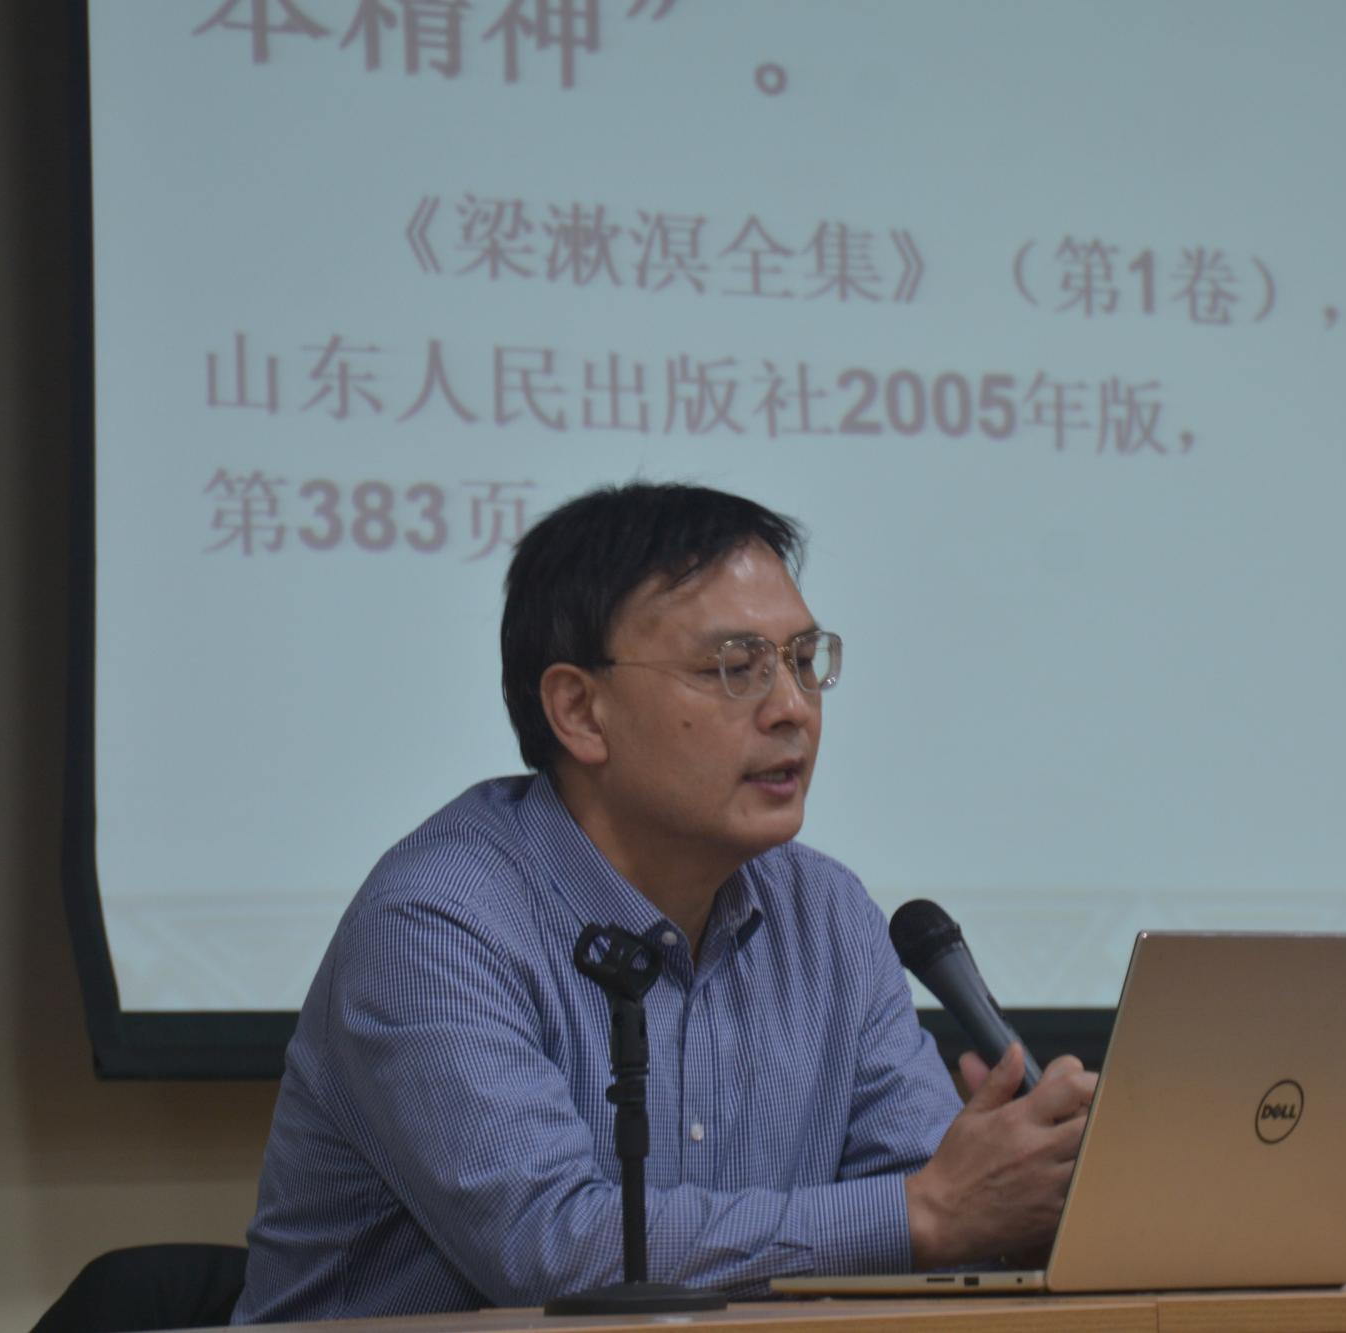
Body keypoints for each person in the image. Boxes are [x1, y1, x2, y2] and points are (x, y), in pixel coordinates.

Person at [231, 482, 1096, 1322]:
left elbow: (942, 1198)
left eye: (803, 661)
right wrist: (927, 1213)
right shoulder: (437, 925)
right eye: (736, 667)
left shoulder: (827, 917)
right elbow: (552, 1248)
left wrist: (1025, 1184)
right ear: (580, 711)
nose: (792, 708)